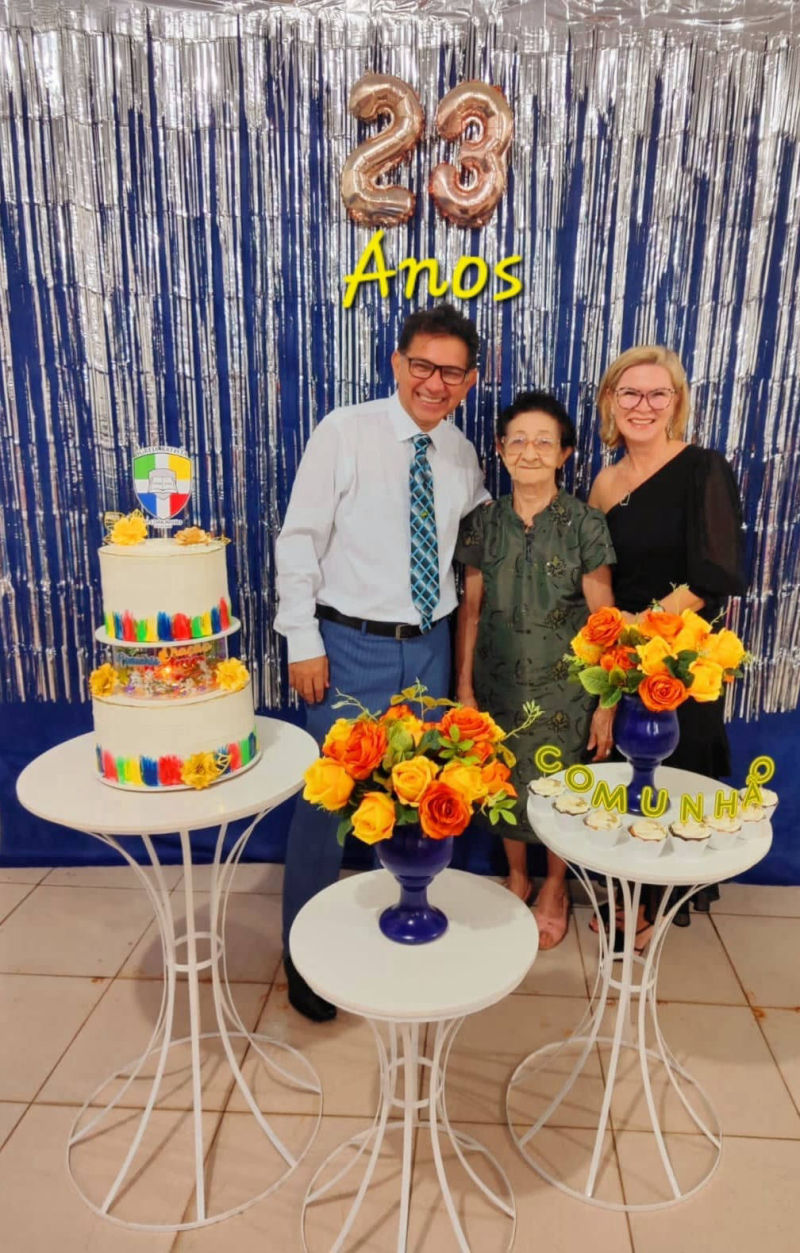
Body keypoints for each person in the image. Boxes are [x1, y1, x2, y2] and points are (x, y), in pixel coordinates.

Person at [274, 304, 489, 1020]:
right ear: (397, 363)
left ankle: (395, 932)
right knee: (325, 804)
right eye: (422, 365)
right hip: (348, 646)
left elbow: (475, 549)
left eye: (451, 372)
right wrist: (301, 639)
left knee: (414, 800)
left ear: (470, 381)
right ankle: (304, 955)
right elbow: (299, 539)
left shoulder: (461, 454)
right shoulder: (345, 431)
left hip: (429, 647)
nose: (434, 382)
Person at [588, 345, 745, 946]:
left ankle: (652, 903)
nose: (643, 405)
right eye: (630, 392)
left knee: (674, 772)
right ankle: (626, 893)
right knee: (626, 775)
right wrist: (616, 644)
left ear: (676, 403)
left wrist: (645, 626)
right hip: (623, 656)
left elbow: (715, 574)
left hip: (683, 658)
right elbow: (599, 576)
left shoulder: (704, 467)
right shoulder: (604, 483)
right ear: (610, 401)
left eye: (658, 393)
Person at [455, 391, 616, 950]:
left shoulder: (585, 524)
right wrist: (464, 688)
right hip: (497, 683)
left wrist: (607, 705)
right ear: (500, 449)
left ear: (564, 453)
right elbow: (470, 613)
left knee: (557, 787)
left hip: (567, 690)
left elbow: (605, 624)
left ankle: (553, 884)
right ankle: (518, 875)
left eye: (544, 442)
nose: (530, 451)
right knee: (503, 780)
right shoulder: (482, 523)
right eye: (518, 440)